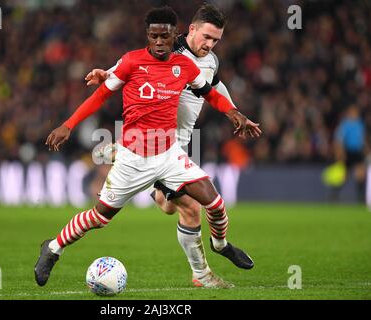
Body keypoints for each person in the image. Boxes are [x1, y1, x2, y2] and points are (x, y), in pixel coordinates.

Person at [35, 6, 261, 288]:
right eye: (206, 37)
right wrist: (74, 116)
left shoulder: (201, 63)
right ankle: (54, 247)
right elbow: (115, 79)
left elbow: (212, 90)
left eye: (215, 40)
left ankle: (219, 245)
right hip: (139, 152)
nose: (210, 44)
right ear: (188, 31)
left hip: (171, 152)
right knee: (103, 217)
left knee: (206, 203)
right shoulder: (149, 55)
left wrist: (235, 113)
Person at [334, 105, 368, 202]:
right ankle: (335, 195)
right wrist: (340, 152)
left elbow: (362, 139)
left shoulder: (360, 124)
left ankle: (361, 198)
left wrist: (366, 149)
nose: (355, 114)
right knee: (344, 175)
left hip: (358, 151)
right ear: (349, 113)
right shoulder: (345, 124)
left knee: (360, 175)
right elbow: (339, 139)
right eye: (353, 112)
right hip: (348, 152)